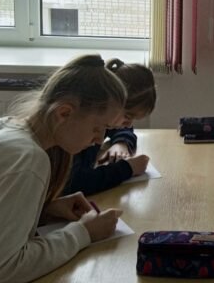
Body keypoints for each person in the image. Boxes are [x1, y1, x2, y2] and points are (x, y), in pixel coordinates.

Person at [0, 54, 125, 282]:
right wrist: (83, 233)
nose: (99, 140)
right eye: (97, 128)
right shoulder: (28, 160)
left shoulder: (2, 126)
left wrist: (45, 210)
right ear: (64, 113)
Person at [64, 59, 156, 196]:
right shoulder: (75, 131)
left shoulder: (101, 117)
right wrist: (127, 168)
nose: (129, 124)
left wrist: (121, 142)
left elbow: (122, 128)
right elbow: (74, 183)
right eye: (127, 116)